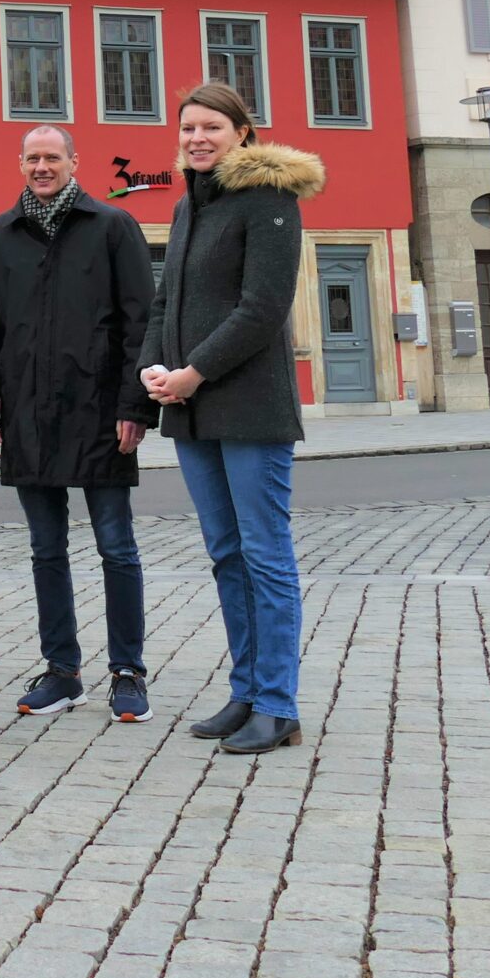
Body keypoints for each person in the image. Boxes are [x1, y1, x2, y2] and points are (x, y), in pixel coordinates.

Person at [139, 82, 321, 756]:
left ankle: (278, 704)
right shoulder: (191, 204)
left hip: (249, 407)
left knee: (265, 556)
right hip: (192, 409)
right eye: (187, 126)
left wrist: (194, 371)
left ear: (243, 132)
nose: (197, 137)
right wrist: (153, 367)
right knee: (226, 555)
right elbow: (167, 300)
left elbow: (262, 309)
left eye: (211, 125)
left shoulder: (268, 200)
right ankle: (246, 690)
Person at [0, 125, 158, 723]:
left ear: (75, 162)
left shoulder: (113, 227)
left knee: (116, 547)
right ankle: (62, 671)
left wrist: (135, 406)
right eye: (32, 159)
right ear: (19, 165)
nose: (42, 167)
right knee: (46, 550)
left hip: (101, 412)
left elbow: (140, 324)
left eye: (52, 157)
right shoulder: (1, 234)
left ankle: (127, 672)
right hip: (27, 415)